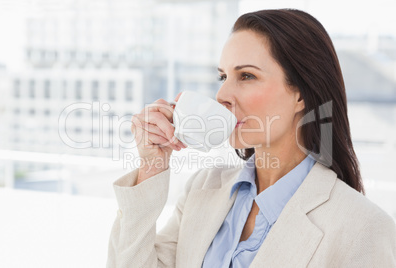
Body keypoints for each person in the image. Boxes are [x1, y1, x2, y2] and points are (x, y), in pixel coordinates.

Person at [107, 9, 396, 267]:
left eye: (246, 76)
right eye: (223, 77)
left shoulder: (364, 228)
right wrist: (151, 167)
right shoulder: (204, 187)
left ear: (300, 94)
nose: (222, 95)